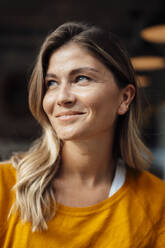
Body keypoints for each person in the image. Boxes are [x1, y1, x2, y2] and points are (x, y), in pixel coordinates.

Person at [0, 22, 165, 248]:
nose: (62, 97)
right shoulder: (4, 186)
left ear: (124, 99)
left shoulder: (158, 203)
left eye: (81, 79)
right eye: (52, 83)